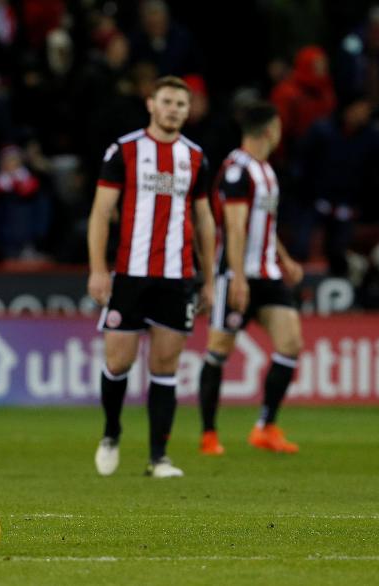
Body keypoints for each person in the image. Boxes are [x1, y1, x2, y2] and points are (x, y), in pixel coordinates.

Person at [88, 75, 215, 479]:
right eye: (167, 101)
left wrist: (209, 278)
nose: (174, 109)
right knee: (118, 359)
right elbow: (101, 213)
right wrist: (96, 269)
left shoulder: (195, 157)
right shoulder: (124, 151)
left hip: (177, 278)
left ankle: (159, 457)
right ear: (151, 104)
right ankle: (111, 433)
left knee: (165, 365)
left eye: (181, 103)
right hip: (130, 274)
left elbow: (204, 219)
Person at [197, 102, 304, 456]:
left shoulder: (266, 172)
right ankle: (209, 434)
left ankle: (265, 426)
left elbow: (264, 225)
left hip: (268, 275)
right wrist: (238, 277)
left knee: (290, 344)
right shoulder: (236, 170)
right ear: (269, 130)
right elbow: (235, 226)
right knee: (218, 352)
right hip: (236, 275)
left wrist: (284, 258)